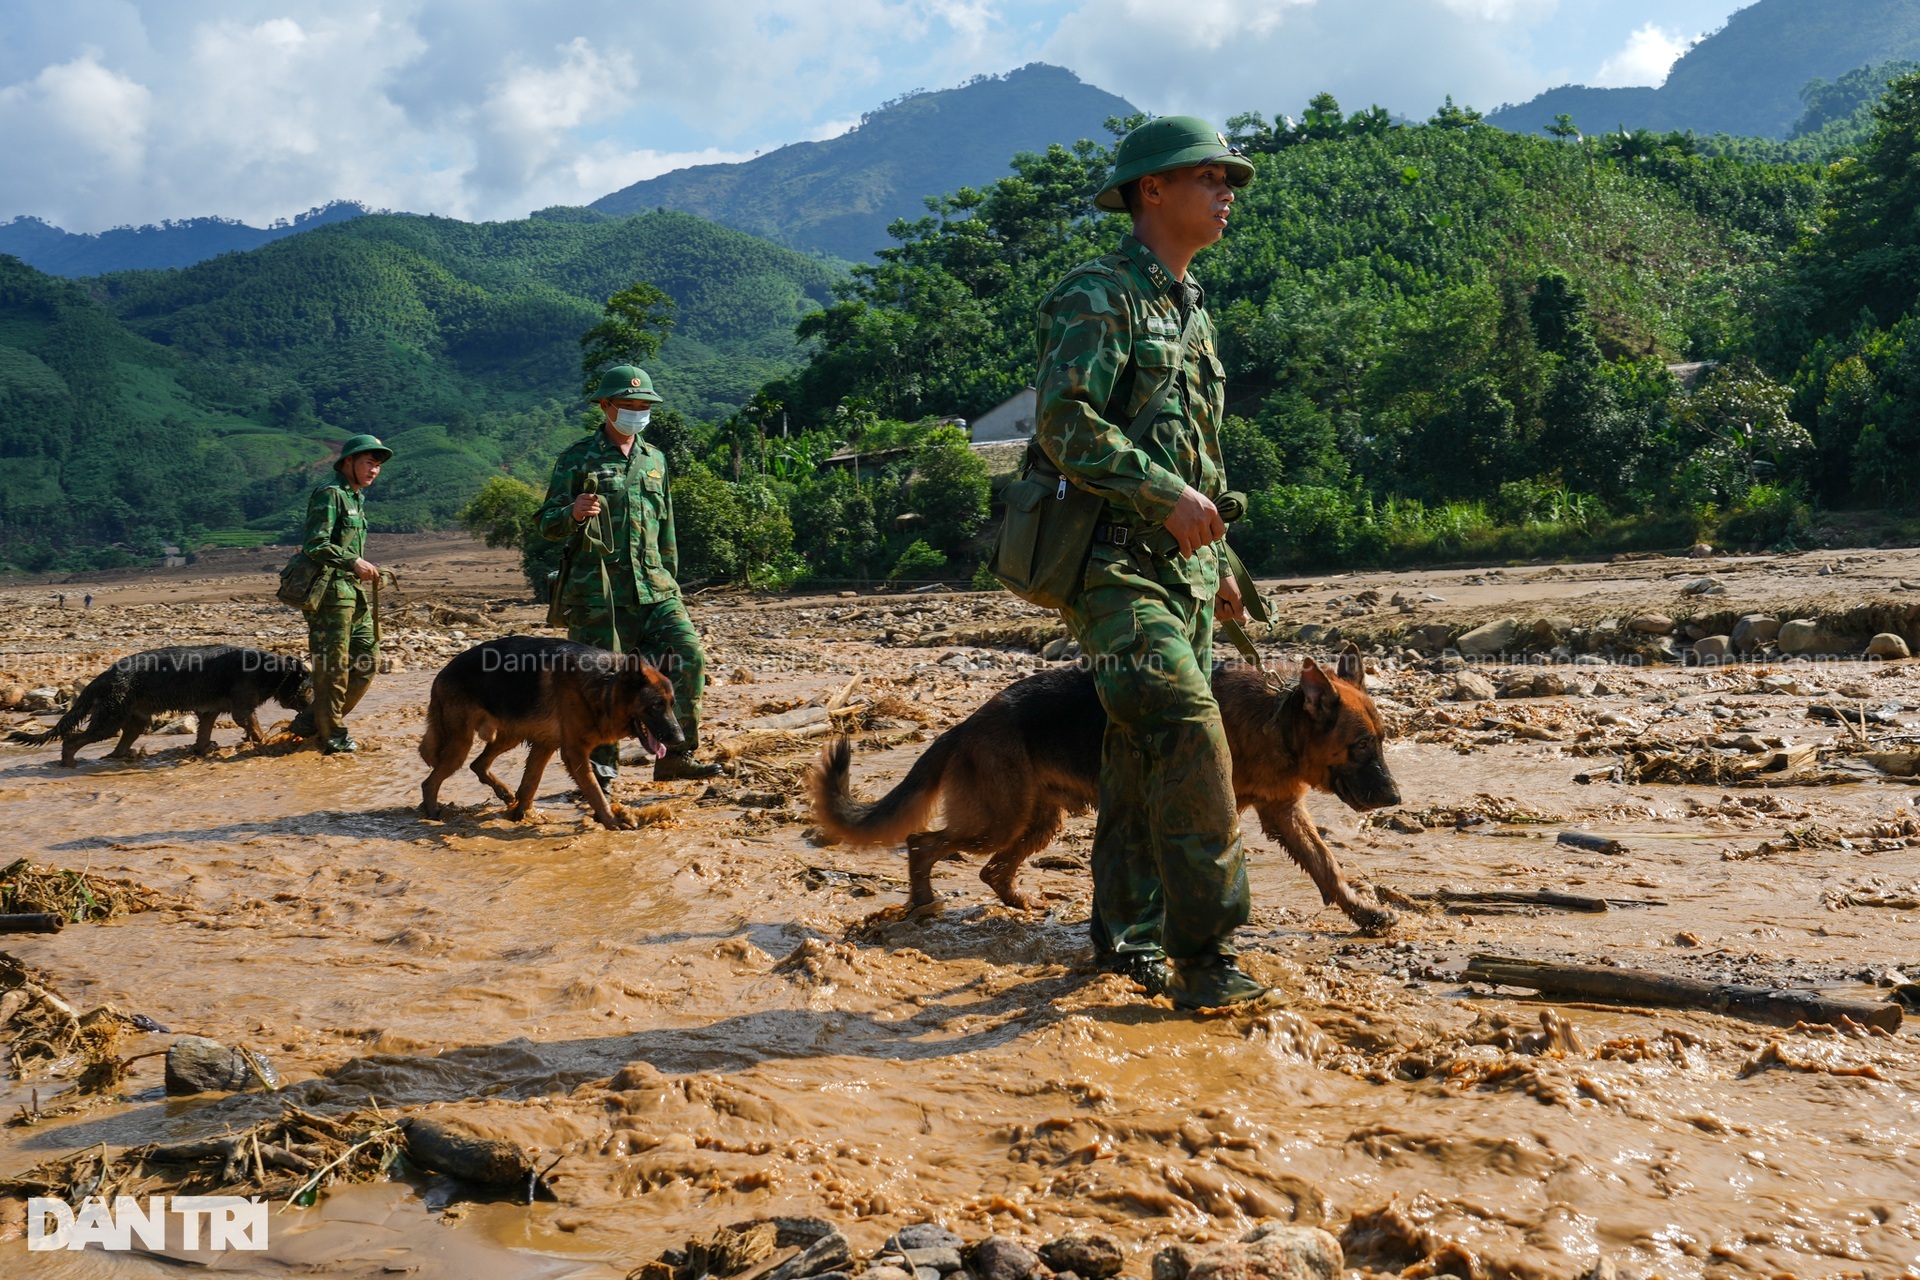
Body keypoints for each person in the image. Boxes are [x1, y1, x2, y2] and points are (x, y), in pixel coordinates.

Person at [1032, 116, 1267, 1010]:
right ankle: (1204, 957)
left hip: (1183, 574)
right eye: (1209, 176)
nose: (1226, 191)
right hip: (1113, 572)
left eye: (1228, 178)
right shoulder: (1100, 294)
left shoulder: (1192, 308)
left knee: (1136, 755)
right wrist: (1159, 495)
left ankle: (1123, 936)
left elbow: (1197, 463)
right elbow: (1063, 423)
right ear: (1152, 191)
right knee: (1186, 726)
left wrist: (1224, 566)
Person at [538, 365, 720, 787]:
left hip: (655, 589)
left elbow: (666, 525)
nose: (637, 412)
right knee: (598, 684)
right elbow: (546, 523)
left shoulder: (655, 459)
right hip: (598, 596)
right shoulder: (576, 458)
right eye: (628, 405)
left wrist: (669, 579)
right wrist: (572, 513)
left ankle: (676, 755)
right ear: (605, 406)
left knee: (689, 657)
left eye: (643, 406)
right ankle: (599, 770)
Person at [290, 434, 390, 755]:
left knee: (367, 659)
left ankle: (309, 724)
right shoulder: (330, 494)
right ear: (348, 462)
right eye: (367, 463)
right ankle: (332, 737)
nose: (373, 470)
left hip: (352, 594)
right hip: (329, 594)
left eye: (377, 465)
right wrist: (353, 560)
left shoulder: (355, 497)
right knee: (332, 668)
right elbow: (315, 543)